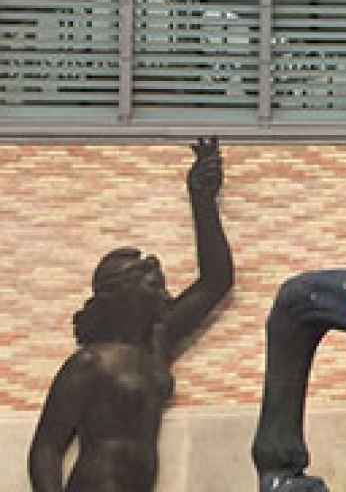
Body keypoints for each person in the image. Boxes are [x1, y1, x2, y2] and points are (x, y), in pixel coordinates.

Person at [28, 138, 234, 492]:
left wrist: (203, 202)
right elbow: (46, 448)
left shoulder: (157, 343)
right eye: (154, 287)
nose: (165, 294)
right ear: (125, 295)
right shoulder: (90, 363)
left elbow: (216, 281)